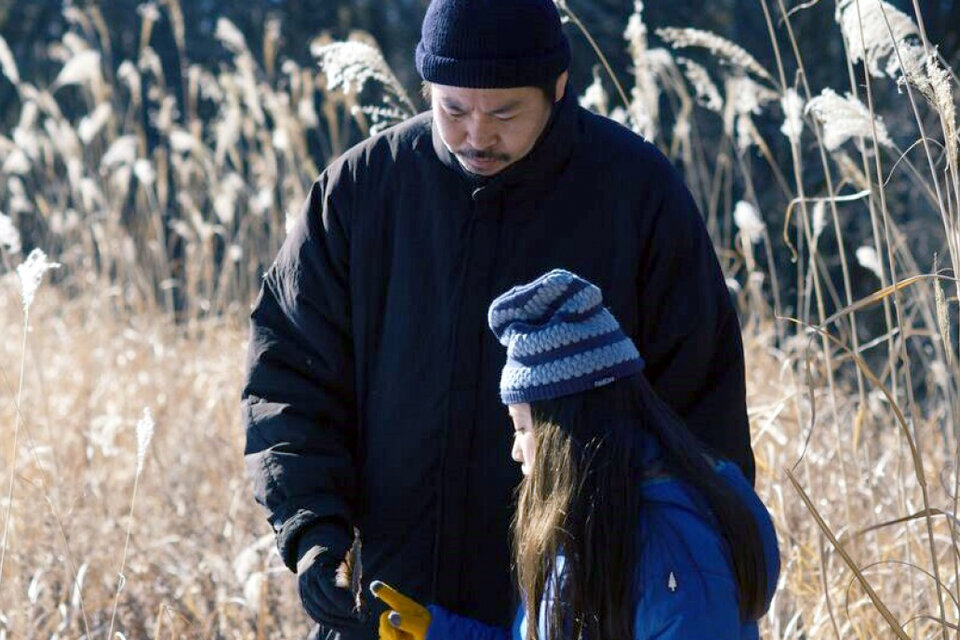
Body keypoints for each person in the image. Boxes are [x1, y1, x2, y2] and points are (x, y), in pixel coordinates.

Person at [242, 0, 754, 637]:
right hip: (389, 610)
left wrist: (679, 579)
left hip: (574, 606)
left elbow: (699, 420)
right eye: (452, 109)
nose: (477, 136)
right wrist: (313, 529)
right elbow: (289, 377)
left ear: (558, 88)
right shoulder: (362, 191)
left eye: (505, 112)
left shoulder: (637, 194)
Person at [371, 269, 779, 640]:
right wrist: (439, 636)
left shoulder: (674, 551)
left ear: (564, 433)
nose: (515, 449)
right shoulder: (591, 526)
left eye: (523, 427)